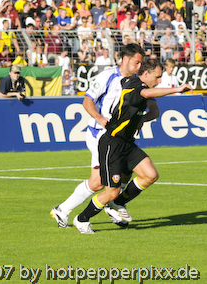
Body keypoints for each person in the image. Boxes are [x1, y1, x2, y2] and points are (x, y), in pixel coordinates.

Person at [72, 59, 193, 234]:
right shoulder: (135, 86)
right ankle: (82, 219)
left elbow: (153, 108)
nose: (159, 81)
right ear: (146, 74)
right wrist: (176, 89)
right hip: (112, 144)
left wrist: (140, 120)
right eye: (157, 77)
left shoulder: (133, 84)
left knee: (150, 175)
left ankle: (119, 203)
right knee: (110, 192)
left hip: (127, 144)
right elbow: (146, 93)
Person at [50, 43, 147, 229]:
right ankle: (111, 206)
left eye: (141, 63)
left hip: (117, 138)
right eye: (136, 62)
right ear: (125, 59)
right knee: (109, 181)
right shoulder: (108, 76)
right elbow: (87, 100)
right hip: (100, 135)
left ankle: (62, 210)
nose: (139, 67)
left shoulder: (134, 82)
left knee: (97, 182)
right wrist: (99, 117)